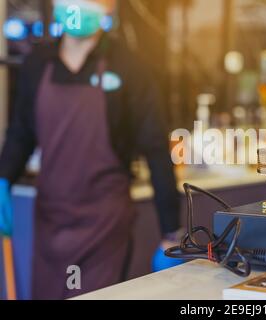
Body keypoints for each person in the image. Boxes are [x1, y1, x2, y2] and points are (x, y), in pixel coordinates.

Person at [0, 0, 182, 299]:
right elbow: (21, 132)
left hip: (103, 229)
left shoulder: (129, 67)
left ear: (109, 6)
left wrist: (170, 233)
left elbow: (155, 149)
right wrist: (3, 177)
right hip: (50, 226)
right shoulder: (38, 63)